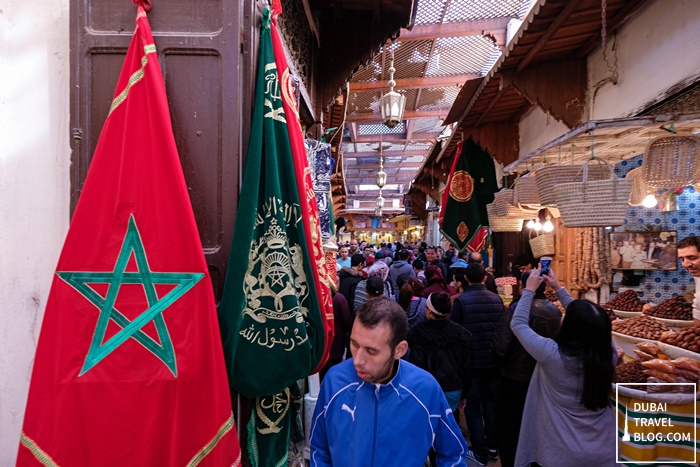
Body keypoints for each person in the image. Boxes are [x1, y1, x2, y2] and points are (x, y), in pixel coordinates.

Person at [309, 298, 469, 466]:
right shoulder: (335, 381)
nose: (358, 360)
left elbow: (453, 454)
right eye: (354, 344)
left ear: (399, 350)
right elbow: (319, 448)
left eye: (371, 351)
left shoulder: (425, 390)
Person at [511, 267, 616, 467]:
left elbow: (518, 324)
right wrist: (558, 287)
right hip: (605, 448)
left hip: (563, 452)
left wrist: (529, 290)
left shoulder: (552, 355)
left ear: (570, 327)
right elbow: (590, 324)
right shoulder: (607, 354)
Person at [490, 272, 562, 467]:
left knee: (509, 431)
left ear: (523, 286)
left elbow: (500, 345)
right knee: (535, 428)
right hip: (542, 378)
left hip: (513, 378)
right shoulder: (555, 312)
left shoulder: (517, 310)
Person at [450, 263, 505, 466]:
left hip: (471, 361)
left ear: (465, 278)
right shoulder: (497, 300)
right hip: (492, 361)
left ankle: (479, 450)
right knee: (490, 403)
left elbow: (455, 332)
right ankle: (492, 446)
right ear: (484, 279)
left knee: (473, 405)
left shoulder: (461, 301)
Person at [407, 292, 471, 411]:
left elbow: (416, 365)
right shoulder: (461, 334)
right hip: (454, 388)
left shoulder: (418, 334)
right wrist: (464, 393)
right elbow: (466, 366)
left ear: (429, 311)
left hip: (428, 388)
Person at [677, 236, 700, 324]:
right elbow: (698, 308)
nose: (685, 264)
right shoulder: (698, 276)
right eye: (682, 259)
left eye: (692, 258)